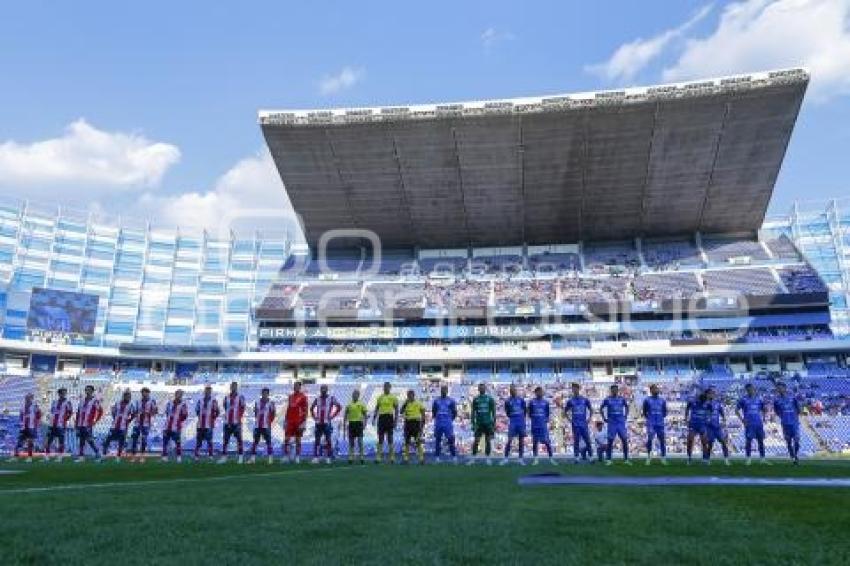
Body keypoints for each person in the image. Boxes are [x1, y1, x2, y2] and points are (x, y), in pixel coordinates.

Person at [736, 383, 770, 465]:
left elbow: (764, 409)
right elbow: (736, 410)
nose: (750, 390)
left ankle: (762, 459)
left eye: (751, 389)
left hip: (758, 423)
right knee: (748, 441)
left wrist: (764, 417)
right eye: (748, 389)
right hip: (749, 424)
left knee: (761, 441)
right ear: (746, 390)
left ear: (754, 389)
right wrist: (742, 420)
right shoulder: (743, 399)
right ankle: (748, 459)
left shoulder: (759, 399)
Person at [600, 384, 631, 465]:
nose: (615, 391)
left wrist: (625, 416)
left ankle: (626, 459)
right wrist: (604, 418)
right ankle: (609, 460)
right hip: (612, 423)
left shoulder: (622, 399)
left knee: (624, 440)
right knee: (610, 441)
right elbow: (601, 408)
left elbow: (627, 407)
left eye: (616, 389)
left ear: (618, 390)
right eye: (613, 390)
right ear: (611, 390)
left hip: (620, 423)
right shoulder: (607, 399)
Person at [310, 384, 341, 464]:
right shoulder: (317, 398)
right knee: (317, 440)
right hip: (318, 422)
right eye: (322, 389)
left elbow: (339, 407)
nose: (323, 390)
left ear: (327, 390)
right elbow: (311, 408)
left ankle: (328, 457)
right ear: (320, 390)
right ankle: (316, 457)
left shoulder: (331, 398)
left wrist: (332, 416)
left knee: (328, 440)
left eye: (324, 389)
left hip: (327, 422)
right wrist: (314, 417)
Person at [773, 382, 802, 464]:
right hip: (785, 423)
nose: (779, 389)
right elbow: (776, 411)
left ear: (785, 388)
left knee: (796, 440)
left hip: (794, 423)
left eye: (781, 388)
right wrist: (782, 416)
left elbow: (798, 408)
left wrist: (795, 416)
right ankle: (792, 456)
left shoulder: (792, 397)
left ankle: (796, 455)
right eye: (778, 388)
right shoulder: (776, 400)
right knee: (788, 441)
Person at [102, 389, 136, 460]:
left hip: (123, 427)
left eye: (129, 396)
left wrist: (129, 420)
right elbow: (113, 411)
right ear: (123, 396)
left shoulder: (131, 405)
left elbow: (133, 414)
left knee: (121, 441)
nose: (128, 398)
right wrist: (115, 418)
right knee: (108, 439)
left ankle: (118, 456)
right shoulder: (117, 403)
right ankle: (104, 454)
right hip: (114, 425)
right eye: (126, 396)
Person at [564, 382, 593, 463]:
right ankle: (576, 457)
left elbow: (591, 409)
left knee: (587, 440)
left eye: (575, 388)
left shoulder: (585, 399)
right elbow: (565, 411)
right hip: (575, 424)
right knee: (576, 441)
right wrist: (569, 420)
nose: (574, 390)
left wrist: (589, 418)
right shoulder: (570, 401)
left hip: (583, 424)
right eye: (573, 388)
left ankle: (591, 457)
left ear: (578, 389)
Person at [468, 383, 496, 465]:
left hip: (488, 423)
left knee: (488, 441)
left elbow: (493, 412)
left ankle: (488, 458)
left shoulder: (490, 399)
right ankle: (473, 458)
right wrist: (473, 423)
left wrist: (493, 424)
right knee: (476, 441)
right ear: (478, 389)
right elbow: (473, 412)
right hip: (479, 424)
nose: (482, 389)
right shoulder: (476, 399)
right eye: (480, 388)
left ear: (485, 389)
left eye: (483, 388)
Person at [528, 386, 556, 466]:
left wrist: (544, 421)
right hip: (535, 425)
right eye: (539, 392)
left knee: (547, 442)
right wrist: (535, 419)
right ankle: (535, 459)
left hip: (543, 425)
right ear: (536, 393)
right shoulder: (532, 402)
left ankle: (551, 459)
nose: (541, 393)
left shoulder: (546, 402)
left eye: (542, 392)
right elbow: (529, 413)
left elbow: (547, 413)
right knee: (535, 442)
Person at [219, 381, 246, 464]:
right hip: (227, 422)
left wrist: (238, 417)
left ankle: (240, 457)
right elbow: (225, 407)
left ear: (237, 387)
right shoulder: (226, 397)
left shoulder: (240, 397)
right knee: (225, 440)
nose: (233, 388)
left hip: (236, 422)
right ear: (230, 387)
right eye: (232, 386)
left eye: (235, 386)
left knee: (239, 440)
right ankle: (224, 457)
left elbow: (243, 408)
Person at [372, 382, 399, 464]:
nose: (385, 388)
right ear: (383, 388)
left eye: (387, 387)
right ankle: (378, 457)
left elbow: (396, 409)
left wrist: (396, 420)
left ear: (390, 388)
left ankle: (392, 457)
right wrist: (374, 418)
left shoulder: (393, 397)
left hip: (389, 418)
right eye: (384, 387)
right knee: (380, 438)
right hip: (381, 418)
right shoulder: (380, 397)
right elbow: (377, 408)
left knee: (390, 438)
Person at [75, 385, 103, 462]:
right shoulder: (82, 400)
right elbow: (78, 412)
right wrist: (76, 423)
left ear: (92, 391)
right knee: (81, 441)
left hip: (87, 424)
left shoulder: (95, 401)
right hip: (80, 424)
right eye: (86, 390)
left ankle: (98, 454)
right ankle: (81, 457)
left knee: (89, 440)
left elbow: (100, 411)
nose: (87, 391)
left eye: (89, 390)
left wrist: (95, 421)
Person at [501, 384, 527, 466]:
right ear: (510, 391)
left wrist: (522, 418)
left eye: (514, 390)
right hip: (513, 422)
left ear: (516, 390)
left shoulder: (521, 400)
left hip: (520, 422)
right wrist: (513, 416)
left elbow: (525, 410)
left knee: (521, 440)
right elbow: (507, 412)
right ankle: (506, 458)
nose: (513, 391)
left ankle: (520, 459)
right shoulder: (507, 401)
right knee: (509, 440)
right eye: (512, 390)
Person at [642, 384, 668, 466]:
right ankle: (649, 457)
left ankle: (663, 458)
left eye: (657, 389)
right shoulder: (647, 400)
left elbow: (665, 412)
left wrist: (660, 417)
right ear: (651, 390)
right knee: (650, 439)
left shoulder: (662, 400)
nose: (656, 390)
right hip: (651, 423)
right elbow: (644, 411)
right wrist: (649, 419)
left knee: (662, 440)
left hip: (660, 423)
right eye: (654, 389)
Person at [704, 386, 731, 466]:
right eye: (710, 393)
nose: (712, 395)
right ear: (707, 394)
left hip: (717, 427)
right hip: (709, 427)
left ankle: (726, 460)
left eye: (713, 393)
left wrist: (724, 419)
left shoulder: (717, 403)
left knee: (723, 442)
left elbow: (721, 412)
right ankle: (707, 460)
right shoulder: (704, 403)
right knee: (710, 444)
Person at [44, 387, 73, 461]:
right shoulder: (54, 402)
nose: (63, 394)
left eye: (64, 393)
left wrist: (64, 419)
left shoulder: (68, 402)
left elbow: (70, 412)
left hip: (61, 425)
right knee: (48, 441)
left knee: (61, 441)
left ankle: (60, 457)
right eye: (62, 393)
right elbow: (52, 412)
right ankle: (47, 456)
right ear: (59, 394)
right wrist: (50, 420)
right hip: (52, 425)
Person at [431, 385, 458, 464]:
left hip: (447, 423)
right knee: (438, 440)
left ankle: (453, 456)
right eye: (442, 390)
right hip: (438, 422)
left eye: (445, 390)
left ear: (447, 391)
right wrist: (437, 419)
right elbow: (433, 411)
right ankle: (437, 457)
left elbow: (455, 412)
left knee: (451, 439)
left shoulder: (451, 400)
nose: (443, 391)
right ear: (440, 391)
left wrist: (450, 419)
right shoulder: (436, 400)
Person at [283, 381, 308, 464]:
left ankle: (297, 457)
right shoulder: (290, 396)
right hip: (290, 421)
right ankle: (286, 456)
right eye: (294, 386)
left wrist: (304, 422)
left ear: (300, 387)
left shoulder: (303, 397)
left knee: (298, 440)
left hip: (298, 421)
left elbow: (305, 410)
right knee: (286, 439)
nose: (295, 387)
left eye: (297, 386)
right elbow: (288, 408)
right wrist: (285, 420)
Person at [130, 387, 158, 462]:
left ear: (148, 393)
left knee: (144, 440)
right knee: (134, 439)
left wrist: (148, 413)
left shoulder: (152, 401)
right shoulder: (137, 401)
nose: (144, 394)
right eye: (143, 392)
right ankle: (133, 456)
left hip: (146, 424)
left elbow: (155, 411)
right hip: (137, 423)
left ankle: (142, 456)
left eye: (146, 393)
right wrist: (136, 414)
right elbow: (134, 411)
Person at [250, 387, 276, 464]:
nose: (264, 394)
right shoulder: (257, 402)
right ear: (261, 394)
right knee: (255, 442)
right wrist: (257, 418)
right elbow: (255, 413)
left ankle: (270, 459)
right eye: (263, 393)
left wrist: (269, 422)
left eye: (266, 393)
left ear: (268, 394)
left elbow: (273, 413)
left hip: (266, 426)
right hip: (257, 425)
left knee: (268, 442)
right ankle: (253, 459)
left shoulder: (271, 403)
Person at [162, 389, 189, 463]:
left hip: (176, 427)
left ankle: (178, 457)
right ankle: (164, 457)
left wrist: (178, 421)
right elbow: (167, 413)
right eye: (178, 394)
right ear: (175, 394)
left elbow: (185, 415)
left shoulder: (183, 405)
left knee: (178, 442)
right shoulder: (169, 403)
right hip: (167, 426)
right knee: (165, 442)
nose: (179, 395)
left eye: (181, 394)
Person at [13, 393, 41, 462]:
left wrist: (36, 424)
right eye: (26, 397)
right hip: (23, 427)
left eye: (29, 397)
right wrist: (21, 423)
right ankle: (15, 457)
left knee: (30, 443)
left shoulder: (35, 406)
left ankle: (29, 457)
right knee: (19, 442)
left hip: (31, 427)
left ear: (32, 398)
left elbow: (39, 415)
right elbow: (21, 416)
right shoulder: (22, 406)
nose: (27, 399)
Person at [400, 389, 426, 465]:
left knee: (418, 441)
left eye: (410, 395)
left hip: (416, 423)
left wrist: (422, 424)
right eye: (408, 395)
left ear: (413, 396)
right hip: (407, 423)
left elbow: (423, 413)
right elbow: (401, 411)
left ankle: (421, 459)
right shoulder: (406, 403)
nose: (409, 397)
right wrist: (405, 404)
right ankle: (406, 459)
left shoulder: (418, 403)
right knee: (406, 441)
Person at [194, 385, 219, 461]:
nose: (207, 392)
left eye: (209, 391)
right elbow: (197, 411)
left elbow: (217, 411)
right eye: (206, 391)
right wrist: (201, 417)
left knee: (209, 441)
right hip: (200, 425)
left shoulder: (213, 401)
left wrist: (212, 419)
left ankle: (210, 456)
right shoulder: (200, 401)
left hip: (209, 425)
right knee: (199, 442)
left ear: (210, 392)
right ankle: (196, 456)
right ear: (204, 392)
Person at [344, 389, 368, 465]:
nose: (354, 395)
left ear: (358, 395)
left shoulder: (361, 404)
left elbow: (365, 415)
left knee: (360, 441)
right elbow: (345, 415)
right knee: (351, 441)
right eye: (353, 394)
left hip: (359, 424)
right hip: (351, 424)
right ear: (352, 395)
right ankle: (351, 457)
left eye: (356, 394)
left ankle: (362, 457)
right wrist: (344, 423)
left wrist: (365, 423)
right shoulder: (349, 404)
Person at [684, 389, 709, 465]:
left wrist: (708, 418)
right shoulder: (693, 402)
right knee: (690, 440)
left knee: (704, 442)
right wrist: (686, 418)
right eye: (702, 401)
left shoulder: (707, 404)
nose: (703, 402)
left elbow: (710, 411)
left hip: (702, 425)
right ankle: (689, 458)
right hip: (693, 425)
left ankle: (705, 459)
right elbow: (687, 407)